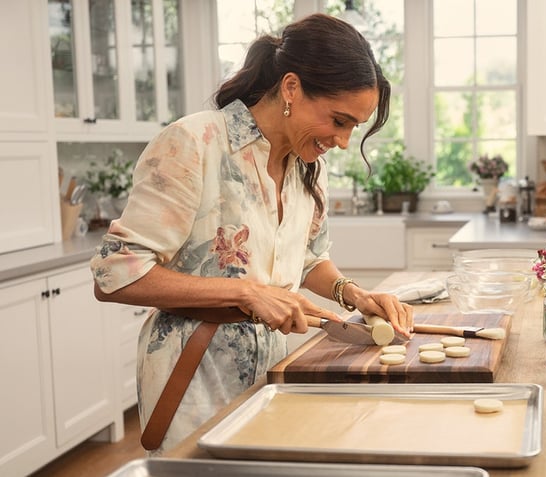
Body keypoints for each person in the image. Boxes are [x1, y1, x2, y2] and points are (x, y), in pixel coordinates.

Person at [90, 13, 413, 453]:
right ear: (292, 88)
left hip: (278, 369)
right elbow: (115, 274)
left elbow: (308, 259)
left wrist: (352, 293)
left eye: (353, 127)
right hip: (195, 378)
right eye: (338, 120)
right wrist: (244, 294)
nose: (342, 141)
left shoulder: (308, 171)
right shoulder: (195, 143)